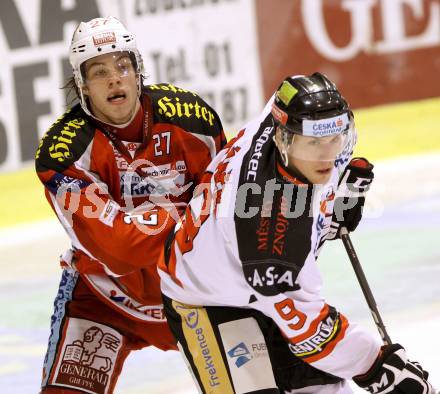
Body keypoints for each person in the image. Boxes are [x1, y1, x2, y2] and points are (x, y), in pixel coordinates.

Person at [158, 73, 434, 393]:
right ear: (283, 139)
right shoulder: (266, 231)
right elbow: (309, 332)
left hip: (247, 271)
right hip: (208, 299)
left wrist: (329, 209)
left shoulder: (289, 117)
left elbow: (299, 94)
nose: (327, 154)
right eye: (314, 143)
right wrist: (376, 368)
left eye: (335, 138)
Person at [35, 16, 226, 393]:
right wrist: (189, 214)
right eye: (99, 72)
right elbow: (119, 250)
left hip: (199, 295)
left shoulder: (193, 120)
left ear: (138, 71)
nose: (114, 79)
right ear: (82, 86)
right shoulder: (64, 151)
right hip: (105, 299)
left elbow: (233, 200)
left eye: (123, 66)